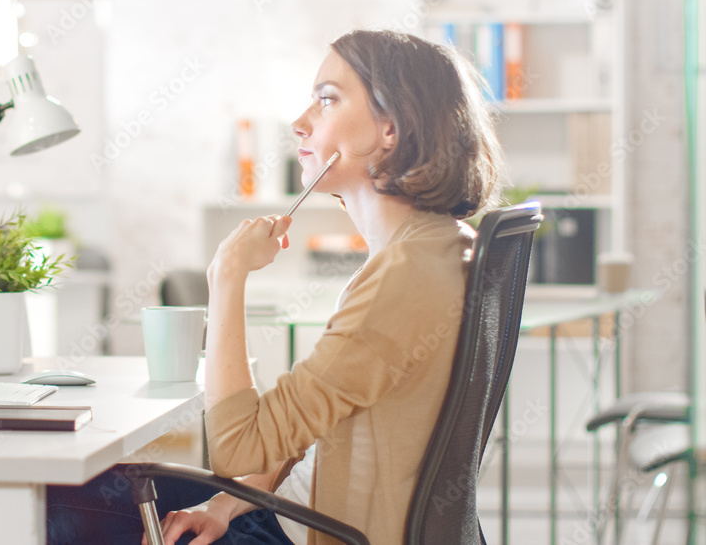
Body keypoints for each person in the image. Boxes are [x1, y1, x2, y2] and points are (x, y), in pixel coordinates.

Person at [46, 28, 503, 545]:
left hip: (309, 531)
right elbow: (313, 419)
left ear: (390, 128)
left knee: (55, 503)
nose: (299, 124)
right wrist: (224, 503)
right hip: (297, 509)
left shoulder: (400, 277)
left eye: (327, 100)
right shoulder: (436, 247)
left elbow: (237, 447)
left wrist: (227, 276)